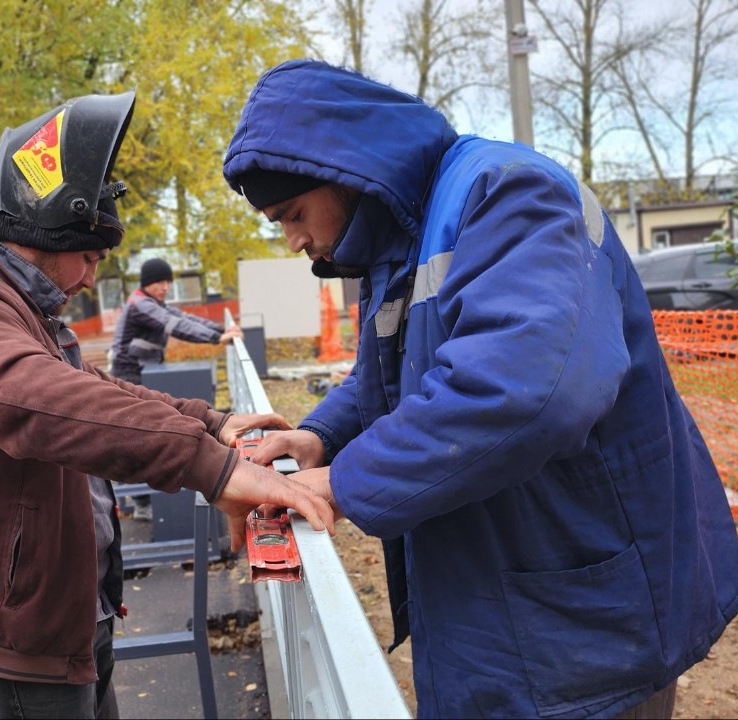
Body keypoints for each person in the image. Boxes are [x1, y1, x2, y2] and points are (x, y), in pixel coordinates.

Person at [222, 59, 738, 719]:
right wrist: (320, 435)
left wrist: (345, 483)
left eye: (292, 213)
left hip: (584, 622)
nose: (294, 240)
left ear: (346, 172)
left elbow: (527, 387)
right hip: (509, 603)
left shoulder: (510, 194)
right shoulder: (394, 243)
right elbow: (389, 374)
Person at [0, 91, 334, 720]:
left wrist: (212, 423)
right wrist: (215, 468)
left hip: (57, 625)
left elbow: (95, 388)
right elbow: (32, 399)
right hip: (6, 644)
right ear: (50, 226)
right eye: (91, 256)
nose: (92, 278)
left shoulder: (22, 311)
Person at [110, 257, 242, 519]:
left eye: (168, 282)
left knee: (147, 430)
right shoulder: (141, 305)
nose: (165, 287)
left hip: (145, 372)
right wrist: (217, 338)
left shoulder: (155, 303)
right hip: (131, 375)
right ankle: (142, 503)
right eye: (159, 282)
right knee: (136, 434)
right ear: (147, 283)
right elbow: (176, 326)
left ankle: (145, 499)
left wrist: (221, 330)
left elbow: (183, 316)